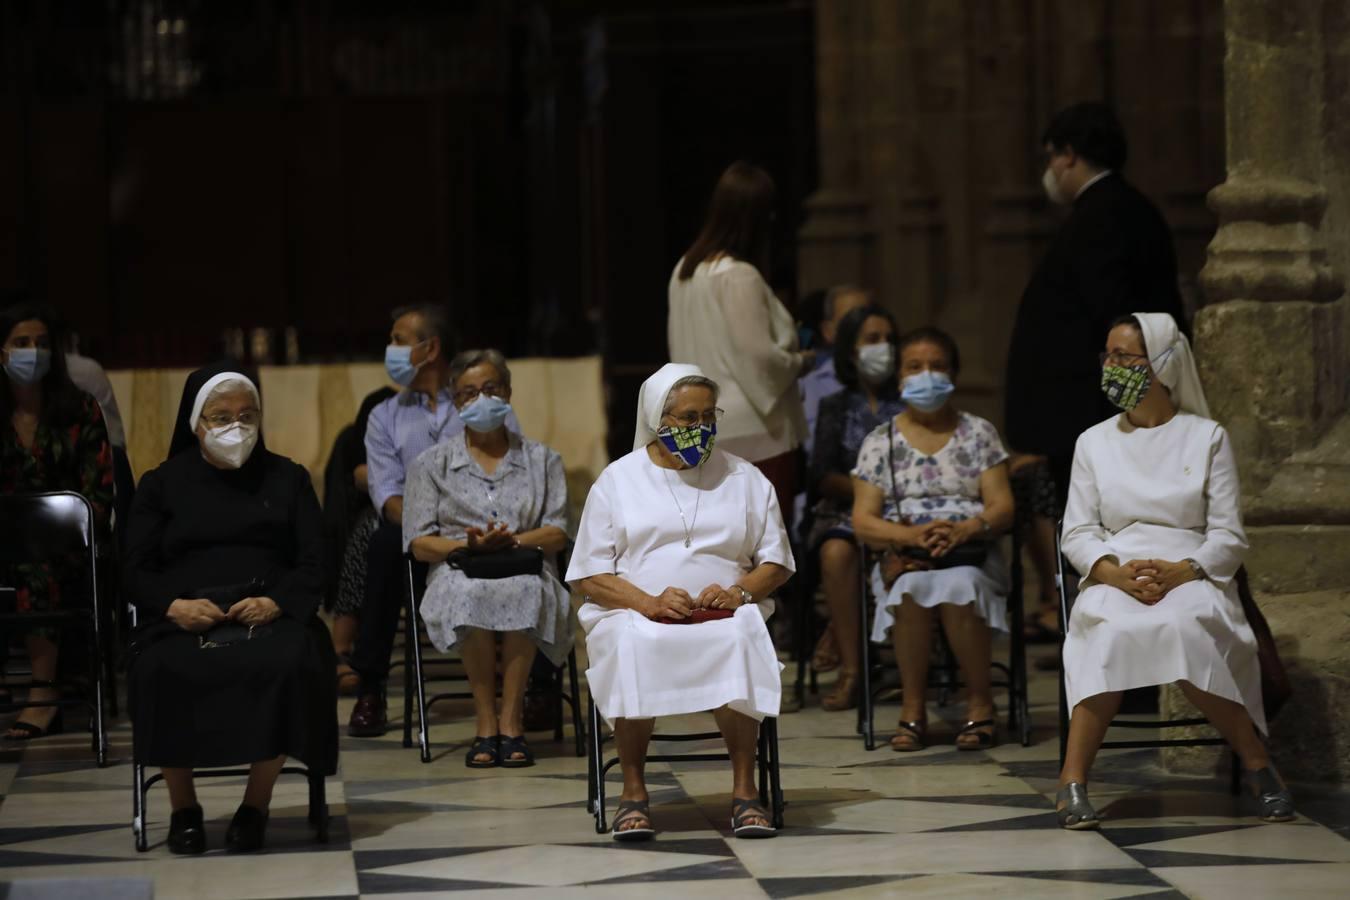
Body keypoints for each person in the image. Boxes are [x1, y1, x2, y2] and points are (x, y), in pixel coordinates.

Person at [1056, 313, 1294, 830]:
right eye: (1108, 356)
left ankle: (1257, 765)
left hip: (1189, 571)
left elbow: (1229, 534)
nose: (1112, 367)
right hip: (1117, 569)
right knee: (1111, 630)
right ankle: (1072, 780)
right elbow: (1076, 531)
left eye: (1126, 357)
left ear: (1162, 364)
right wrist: (1112, 573)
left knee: (1185, 628)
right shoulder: (1093, 442)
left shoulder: (1206, 437)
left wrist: (1184, 569)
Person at [567, 363, 793, 841]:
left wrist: (739, 592)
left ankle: (745, 792)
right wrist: (646, 602)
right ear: (658, 420)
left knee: (739, 636)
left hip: (724, 612)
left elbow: (778, 562)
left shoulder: (745, 478)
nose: (702, 428)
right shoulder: (618, 480)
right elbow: (588, 575)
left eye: (710, 416)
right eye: (689, 419)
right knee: (632, 644)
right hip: (635, 612)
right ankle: (633, 794)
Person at [123, 365, 338, 854]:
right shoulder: (161, 484)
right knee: (158, 668)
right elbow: (134, 568)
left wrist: (278, 602)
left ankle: (254, 807)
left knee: (291, 662)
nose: (234, 427)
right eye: (220, 417)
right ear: (196, 422)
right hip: (185, 613)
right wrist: (172, 606)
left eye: (246, 415)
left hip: (267, 609)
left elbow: (315, 559)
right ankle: (184, 808)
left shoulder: (289, 478)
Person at [346, 303, 522, 736]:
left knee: (534, 547)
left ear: (431, 348)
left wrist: (474, 531)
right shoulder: (383, 416)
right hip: (418, 533)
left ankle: (534, 688)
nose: (390, 349)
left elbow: (512, 470)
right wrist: (430, 531)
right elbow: (385, 492)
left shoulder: (484, 405)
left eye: (398, 340)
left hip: (486, 525)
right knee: (384, 543)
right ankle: (371, 688)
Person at [1004, 102, 1187, 511]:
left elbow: (1112, 316)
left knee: (1096, 516)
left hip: (1092, 410)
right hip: (1100, 408)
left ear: (1067, 154)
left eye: (1050, 155)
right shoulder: (1128, 208)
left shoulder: (1100, 217)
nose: (1049, 169)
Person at [403, 349, 573, 768]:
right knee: (470, 592)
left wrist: (512, 541)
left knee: (526, 590)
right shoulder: (431, 464)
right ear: (455, 402)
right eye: (468, 393)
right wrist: (468, 547)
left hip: (526, 564)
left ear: (508, 393)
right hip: (459, 567)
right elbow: (419, 543)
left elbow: (557, 532)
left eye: (490, 389)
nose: (480, 400)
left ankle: (511, 721)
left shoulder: (543, 460)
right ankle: (485, 722)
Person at [852, 327, 1015, 751]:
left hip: (971, 552)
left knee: (961, 586)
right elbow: (864, 520)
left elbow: (1002, 506)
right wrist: (912, 535)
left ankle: (981, 704)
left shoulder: (979, 434)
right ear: (900, 378)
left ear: (954, 374)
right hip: (907, 556)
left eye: (937, 366)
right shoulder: (879, 442)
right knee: (911, 589)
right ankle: (913, 708)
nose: (927, 375)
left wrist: (965, 529)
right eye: (915, 367)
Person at [667, 161, 810, 522]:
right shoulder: (738, 275)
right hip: (754, 432)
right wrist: (800, 361)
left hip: (702, 427)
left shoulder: (686, 269)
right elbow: (759, 359)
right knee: (764, 547)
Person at [0, 301, 113, 740]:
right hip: (4, 543)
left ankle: (43, 696)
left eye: (41, 344)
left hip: (65, 547)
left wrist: (55, 527)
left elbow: (98, 493)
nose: (33, 351)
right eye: (21, 343)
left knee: (36, 566)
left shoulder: (79, 410)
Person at [804, 305, 904, 709]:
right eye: (872, 340)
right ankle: (852, 669)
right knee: (836, 551)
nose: (884, 349)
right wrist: (869, 494)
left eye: (889, 340)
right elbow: (821, 475)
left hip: (908, 510)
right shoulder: (836, 406)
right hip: (847, 509)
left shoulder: (910, 402)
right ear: (850, 351)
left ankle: (904, 664)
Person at [320, 386, 397, 694]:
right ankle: (342, 650)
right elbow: (362, 477)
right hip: (378, 512)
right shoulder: (355, 439)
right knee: (370, 537)